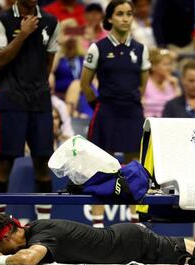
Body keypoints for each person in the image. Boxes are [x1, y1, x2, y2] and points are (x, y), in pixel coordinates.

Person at [80, 0, 150, 228]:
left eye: (129, 14)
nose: (125, 18)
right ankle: (98, 224)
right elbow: (86, 85)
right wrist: (100, 105)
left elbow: (142, 87)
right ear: (109, 19)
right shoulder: (97, 48)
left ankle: (135, 221)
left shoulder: (141, 50)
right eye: (120, 14)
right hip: (106, 110)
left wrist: (128, 101)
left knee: (135, 166)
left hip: (131, 111)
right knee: (102, 165)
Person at [0, 0, 59, 220]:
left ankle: (45, 224)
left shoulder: (51, 21)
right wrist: (22, 34)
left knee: (42, 161)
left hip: (39, 101)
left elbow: (49, 61)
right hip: (11, 100)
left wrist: (37, 85)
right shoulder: (0, 20)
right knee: (5, 162)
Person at [0, 214, 194, 265]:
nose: (1, 252)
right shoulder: (34, 230)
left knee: (193, 250)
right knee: (188, 245)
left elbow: (28, 260)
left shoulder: (41, 234)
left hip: (131, 243)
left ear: (6, 237)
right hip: (125, 241)